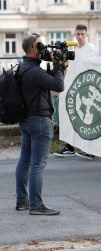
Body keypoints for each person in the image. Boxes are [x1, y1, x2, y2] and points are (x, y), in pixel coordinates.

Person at [16, 34, 65, 215]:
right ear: (35, 49)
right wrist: (59, 65)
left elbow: (50, 80)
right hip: (39, 120)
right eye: (41, 45)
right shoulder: (35, 71)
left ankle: (22, 201)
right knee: (37, 164)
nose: (45, 48)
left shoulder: (24, 67)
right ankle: (36, 205)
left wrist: (56, 65)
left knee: (25, 161)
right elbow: (58, 86)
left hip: (27, 120)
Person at [53, 24, 98, 159]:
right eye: (77, 34)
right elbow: (68, 67)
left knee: (87, 116)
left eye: (82, 34)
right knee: (69, 114)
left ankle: (89, 148)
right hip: (73, 85)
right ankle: (70, 146)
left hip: (86, 86)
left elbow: (93, 66)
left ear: (86, 35)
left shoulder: (90, 48)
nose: (80, 37)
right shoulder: (72, 48)